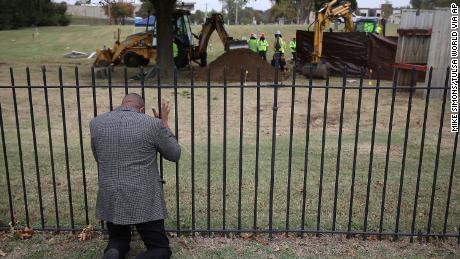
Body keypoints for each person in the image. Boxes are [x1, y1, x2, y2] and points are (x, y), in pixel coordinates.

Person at [90, 93, 181, 259]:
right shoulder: (152, 124)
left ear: (122, 104)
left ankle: (115, 251)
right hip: (143, 196)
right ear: (142, 109)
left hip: (112, 193)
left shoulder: (97, 123)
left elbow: (99, 158)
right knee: (160, 249)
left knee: (118, 238)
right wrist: (164, 123)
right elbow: (174, 154)